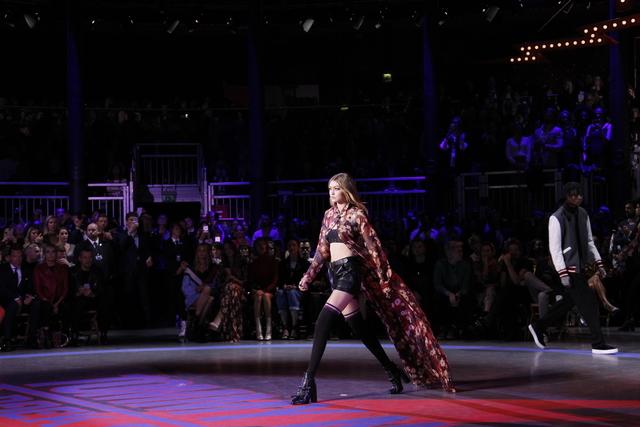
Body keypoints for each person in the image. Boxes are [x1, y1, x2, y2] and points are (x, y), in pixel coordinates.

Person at [291, 173, 454, 405]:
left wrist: (384, 279)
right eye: (329, 189)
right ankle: (392, 370)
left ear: (346, 190)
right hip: (334, 275)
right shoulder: (328, 216)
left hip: (350, 274)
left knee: (323, 321)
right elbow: (321, 250)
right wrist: (308, 276)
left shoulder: (357, 215)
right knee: (359, 328)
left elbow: (374, 248)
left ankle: (308, 383)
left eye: (336, 188)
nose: (332, 193)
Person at [528, 182, 618, 354]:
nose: (578, 198)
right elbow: (555, 249)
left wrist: (599, 263)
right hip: (568, 268)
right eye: (574, 195)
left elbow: (589, 241)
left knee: (569, 302)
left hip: (582, 267)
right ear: (567, 196)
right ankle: (598, 343)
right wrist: (562, 273)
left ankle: (539, 326)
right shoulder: (556, 217)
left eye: (580, 195)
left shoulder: (583, 214)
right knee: (589, 303)